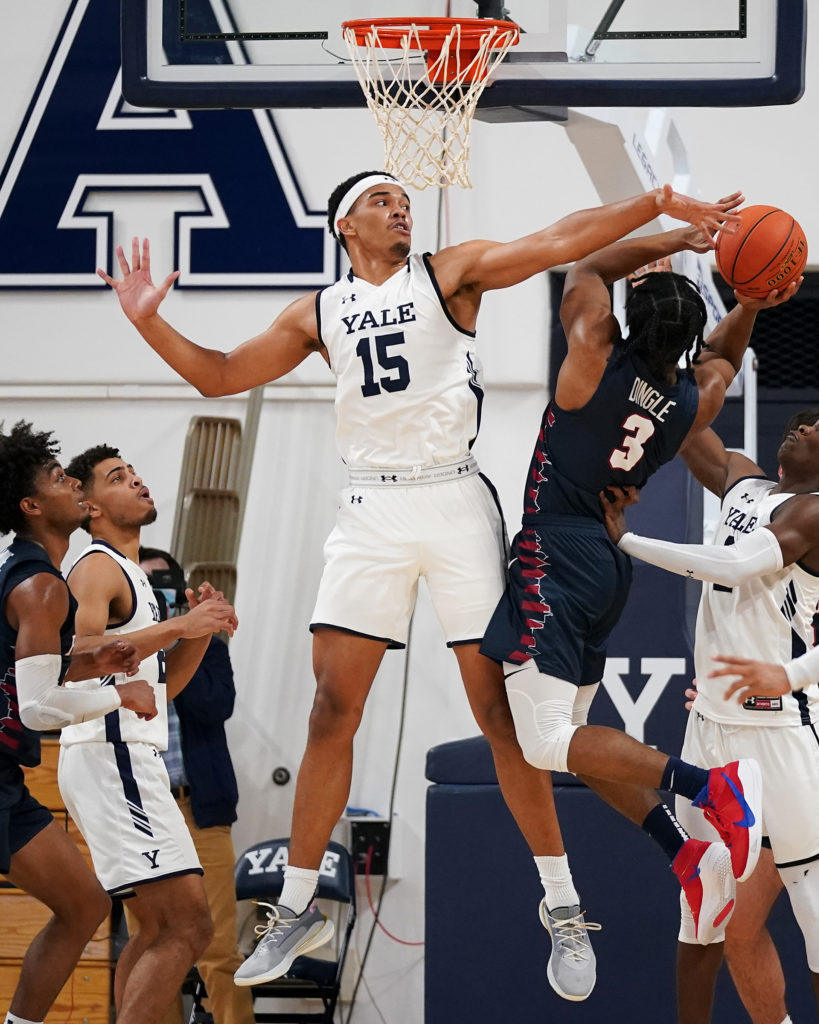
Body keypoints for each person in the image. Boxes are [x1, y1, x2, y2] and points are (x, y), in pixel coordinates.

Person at [98, 169, 742, 998]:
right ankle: (294, 907)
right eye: (380, 200)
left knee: (501, 719)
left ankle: (563, 905)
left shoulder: (449, 274)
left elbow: (561, 243)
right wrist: (152, 324)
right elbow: (219, 374)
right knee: (332, 708)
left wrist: (656, 209)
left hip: (453, 499)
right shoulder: (317, 312)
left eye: (404, 199)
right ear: (344, 226)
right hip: (368, 509)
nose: (399, 207)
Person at [479, 228, 800, 959]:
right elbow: (721, 360)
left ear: (624, 319)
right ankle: (682, 852)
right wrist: (748, 298)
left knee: (548, 743)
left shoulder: (591, 355)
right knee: (586, 747)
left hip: (554, 551)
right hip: (604, 569)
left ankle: (708, 788)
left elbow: (588, 261)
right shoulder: (694, 400)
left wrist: (660, 236)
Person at [600, 409, 819, 1024]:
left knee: (810, 896)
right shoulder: (746, 486)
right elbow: (685, 426)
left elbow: (732, 566)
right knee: (700, 899)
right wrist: (660, 374)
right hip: (710, 726)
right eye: (807, 422)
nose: (806, 427)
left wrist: (627, 539)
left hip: (784, 728)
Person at [59, 445, 239, 1024]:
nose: (137, 481)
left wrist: (198, 633)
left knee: (161, 928)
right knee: (191, 926)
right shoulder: (96, 566)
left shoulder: (134, 574)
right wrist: (179, 624)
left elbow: (167, 691)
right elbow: (74, 656)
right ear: (88, 506)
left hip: (129, 757)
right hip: (110, 756)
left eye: (135, 473)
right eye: (118, 478)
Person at [0, 421, 157, 1024]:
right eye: (58, 477)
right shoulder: (42, 587)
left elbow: (33, 670)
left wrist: (92, 659)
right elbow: (38, 708)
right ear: (33, 505)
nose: (71, 482)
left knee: (84, 903)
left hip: (7, 782)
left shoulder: (37, 571)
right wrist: (121, 695)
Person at [138, 545, 254, 1024]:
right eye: (147, 587)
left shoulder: (208, 647)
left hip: (198, 808)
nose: (158, 596)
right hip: (141, 813)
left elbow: (214, 708)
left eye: (165, 585)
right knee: (150, 946)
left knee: (219, 951)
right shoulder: (117, 650)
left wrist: (180, 642)